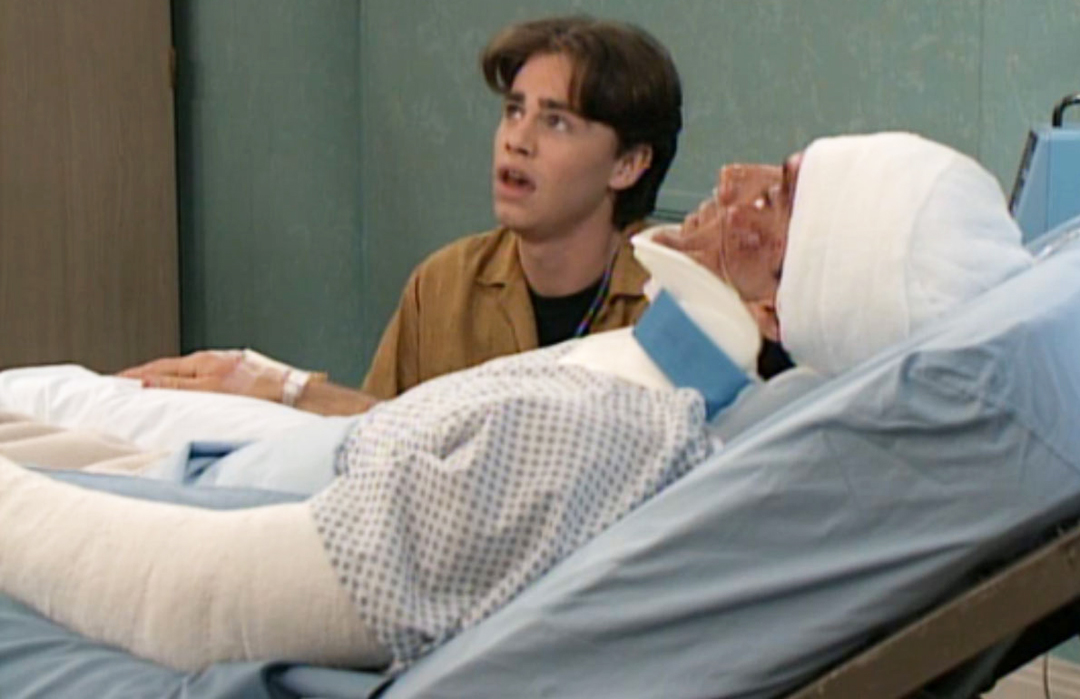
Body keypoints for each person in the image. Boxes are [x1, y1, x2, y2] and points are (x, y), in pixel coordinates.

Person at [0, 132, 1032, 675]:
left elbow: (201, 599)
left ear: (782, 306)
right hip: (281, 477)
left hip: (253, 512)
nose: (732, 175)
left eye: (780, 196)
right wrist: (284, 387)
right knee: (42, 395)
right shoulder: (660, 391)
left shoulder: (608, 430)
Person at [120, 15, 685, 413]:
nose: (517, 140)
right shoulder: (443, 285)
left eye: (555, 121)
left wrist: (296, 391)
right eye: (514, 112)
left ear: (628, 164)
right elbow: (381, 441)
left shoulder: (675, 302)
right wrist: (279, 399)